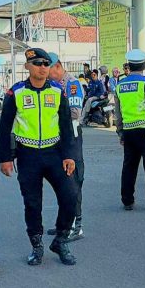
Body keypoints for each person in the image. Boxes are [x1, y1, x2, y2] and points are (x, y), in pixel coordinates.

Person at [0, 47, 78, 266]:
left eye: (46, 64)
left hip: (54, 153)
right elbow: (5, 127)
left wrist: (69, 155)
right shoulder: (16, 93)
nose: (42, 68)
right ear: (27, 67)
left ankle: (61, 240)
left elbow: (66, 125)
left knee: (70, 196)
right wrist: (5, 158)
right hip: (28, 156)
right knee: (33, 203)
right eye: (37, 64)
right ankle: (36, 245)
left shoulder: (57, 91)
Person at [114, 48, 145, 211]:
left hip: (129, 131)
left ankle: (127, 200)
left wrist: (120, 132)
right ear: (143, 65)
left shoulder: (120, 85)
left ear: (129, 65)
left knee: (129, 166)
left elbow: (118, 112)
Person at [47, 51, 86, 241]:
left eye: (48, 68)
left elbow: (75, 112)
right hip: (57, 139)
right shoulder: (52, 85)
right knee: (61, 182)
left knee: (73, 182)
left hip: (71, 137)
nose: (45, 72)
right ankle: (64, 223)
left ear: (57, 66)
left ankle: (75, 226)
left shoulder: (71, 84)